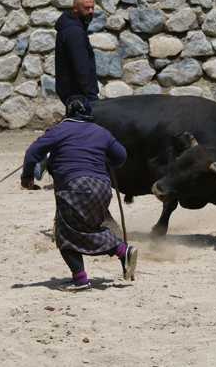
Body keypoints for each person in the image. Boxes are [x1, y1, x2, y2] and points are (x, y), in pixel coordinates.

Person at [21, 95, 137, 292]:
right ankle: (121, 251)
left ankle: (81, 279)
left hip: (75, 186)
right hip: (102, 188)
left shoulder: (57, 130)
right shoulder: (102, 132)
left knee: (64, 232)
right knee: (88, 228)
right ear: (89, 112)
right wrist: (107, 158)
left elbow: (33, 152)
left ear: (67, 112)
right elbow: (121, 157)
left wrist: (26, 177)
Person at [55, 0, 99, 106]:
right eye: (86, 8)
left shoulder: (71, 29)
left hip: (74, 93)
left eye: (92, 8)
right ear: (75, 8)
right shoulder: (74, 32)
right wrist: (92, 97)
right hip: (77, 95)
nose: (90, 11)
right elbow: (81, 66)